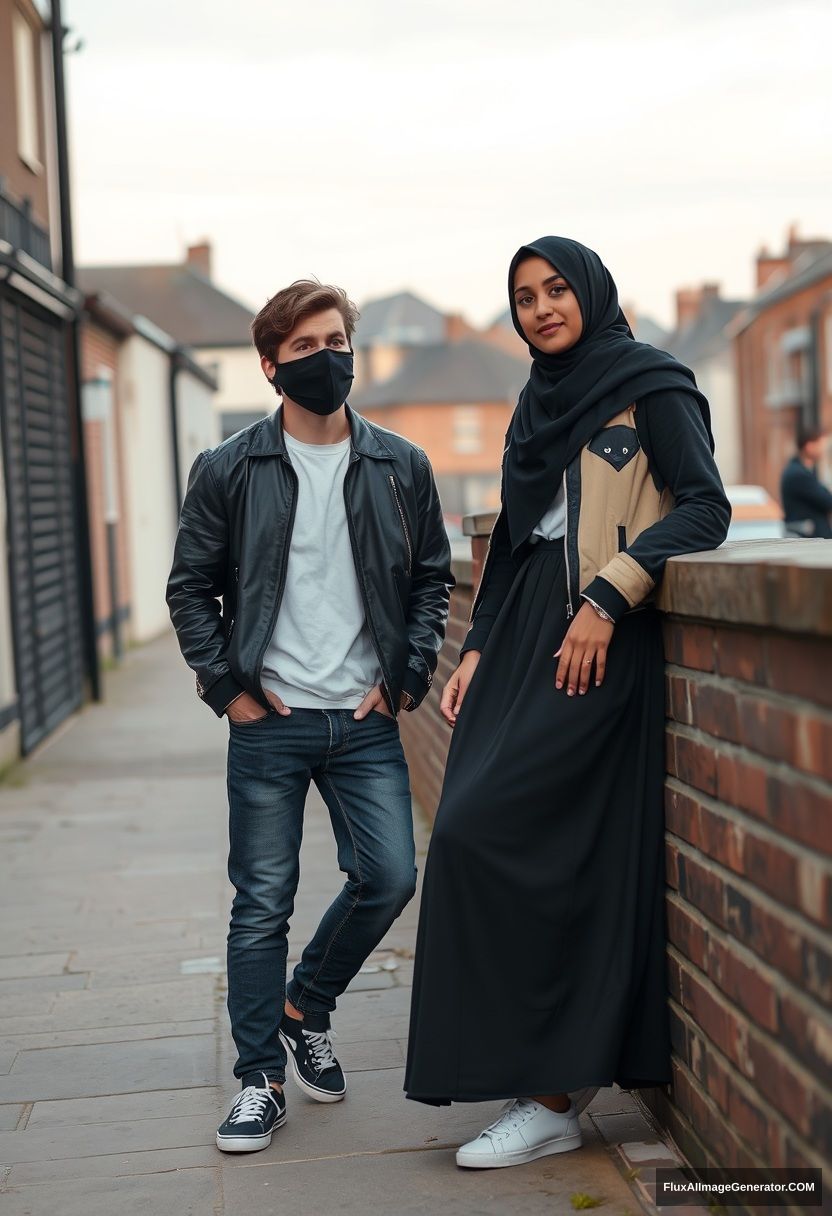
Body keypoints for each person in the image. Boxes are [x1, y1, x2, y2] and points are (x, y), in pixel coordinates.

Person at [404, 237, 731, 1170]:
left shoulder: (651, 383)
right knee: (468, 839)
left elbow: (705, 508)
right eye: (524, 297)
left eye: (555, 290)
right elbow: (511, 543)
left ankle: (555, 1096)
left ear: (590, 291)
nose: (542, 308)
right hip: (519, 644)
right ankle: (541, 1076)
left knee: (510, 837)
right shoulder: (536, 400)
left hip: (599, 641)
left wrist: (608, 596)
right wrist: (474, 651)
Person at [166, 279, 454, 1154]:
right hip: (271, 721)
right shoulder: (228, 467)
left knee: (393, 877)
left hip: (365, 718)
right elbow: (191, 592)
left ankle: (305, 1007)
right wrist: (231, 692)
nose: (328, 358)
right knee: (262, 904)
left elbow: (432, 579)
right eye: (305, 348)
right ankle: (259, 1080)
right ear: (271, 366)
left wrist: (402, 679)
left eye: (337, 340)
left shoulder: (401, 464)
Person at [781, 424, 832, 538]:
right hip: (808, 542)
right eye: (821, 444)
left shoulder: (805, 471)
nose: (823, 450)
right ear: (809, 446)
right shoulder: (798, 474)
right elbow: (827, 500)